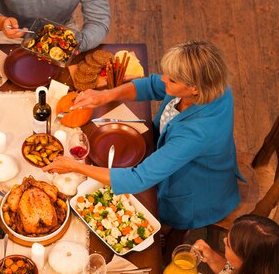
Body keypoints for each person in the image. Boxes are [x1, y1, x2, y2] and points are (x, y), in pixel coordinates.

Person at [44, 40, 243, 230]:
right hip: (179, 157)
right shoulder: (214, 86)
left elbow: (138, 179)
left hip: (194, 192)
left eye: (172, 79)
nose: (163, 79)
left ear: (195, 89)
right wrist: (104, 96)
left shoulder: (197, 132)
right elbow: (152, 85)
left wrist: (74, 166)